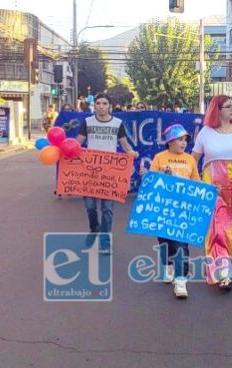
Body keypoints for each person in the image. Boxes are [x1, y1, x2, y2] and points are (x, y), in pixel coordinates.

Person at [191, 95, 232, 289]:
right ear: (217, 110)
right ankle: (221, 272)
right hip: (213, 184)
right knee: (216, 228)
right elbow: (193, 159)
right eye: (228, 106)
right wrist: (195, 184)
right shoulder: (205, 132)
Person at [139, 124, 200, 298]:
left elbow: (196, 182)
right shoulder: (160, 157)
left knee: (181, 244)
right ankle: (168, 266)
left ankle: (181, 281)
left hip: (183, 210)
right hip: (163, 209)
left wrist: (208, 190)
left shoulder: (190, 160)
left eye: (185, 140)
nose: (184, 143)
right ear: (170, 141)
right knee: (165, 241)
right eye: (180, 140)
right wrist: (146, 175)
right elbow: (151, 180)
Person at [75, 94, 138, 254]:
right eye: (98, 103)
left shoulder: (117, 123)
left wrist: (131, 152)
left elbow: (125, 145)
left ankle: (105, 242)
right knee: (90, 207)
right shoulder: (87, 122)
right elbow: (78, 143)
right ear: (94, 105)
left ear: (109, 106)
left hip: (109, 174)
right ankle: (95, 227)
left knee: (107, 209)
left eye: (104, 103)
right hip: (90, 173)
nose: (101, 106)